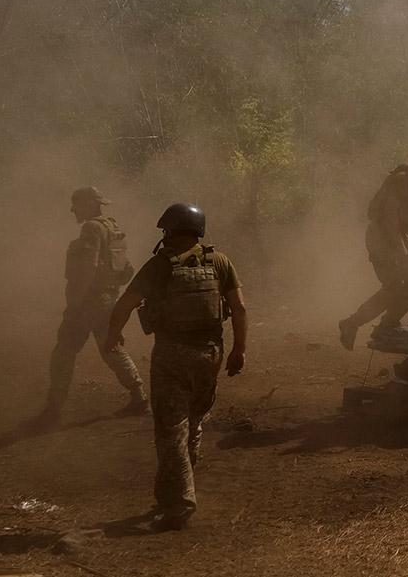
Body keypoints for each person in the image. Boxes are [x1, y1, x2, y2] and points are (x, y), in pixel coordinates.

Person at [105, 203, 248, 531]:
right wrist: (238, 351)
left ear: (170, 230)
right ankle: (171, 492)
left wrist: (112, 335)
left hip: (172, 356)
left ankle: (180, 503)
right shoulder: (219, 261)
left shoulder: (160, 265)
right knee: (192, 424)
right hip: (210, 355)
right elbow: (239, 308)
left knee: (171, 430)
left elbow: (125, 303)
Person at [34, 187, 147, 428]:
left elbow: (88, 267)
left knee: (64, 352)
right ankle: (139, 396)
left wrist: (76, 303)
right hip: (107, 300)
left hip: (89, 302)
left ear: (88, 204)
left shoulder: (92, 229)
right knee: (112, 348)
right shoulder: (112, 227)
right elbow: (126, 270)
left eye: (76, 204)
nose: (72, 209)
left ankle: (54, 409)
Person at [338, 144, 408, 350]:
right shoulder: (402, 180)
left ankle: (386, 325)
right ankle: (353, 323)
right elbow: (389, 216)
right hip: (381, 237)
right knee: (395, 285)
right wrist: (398, 249)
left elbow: (407, 224)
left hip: (395, 238)